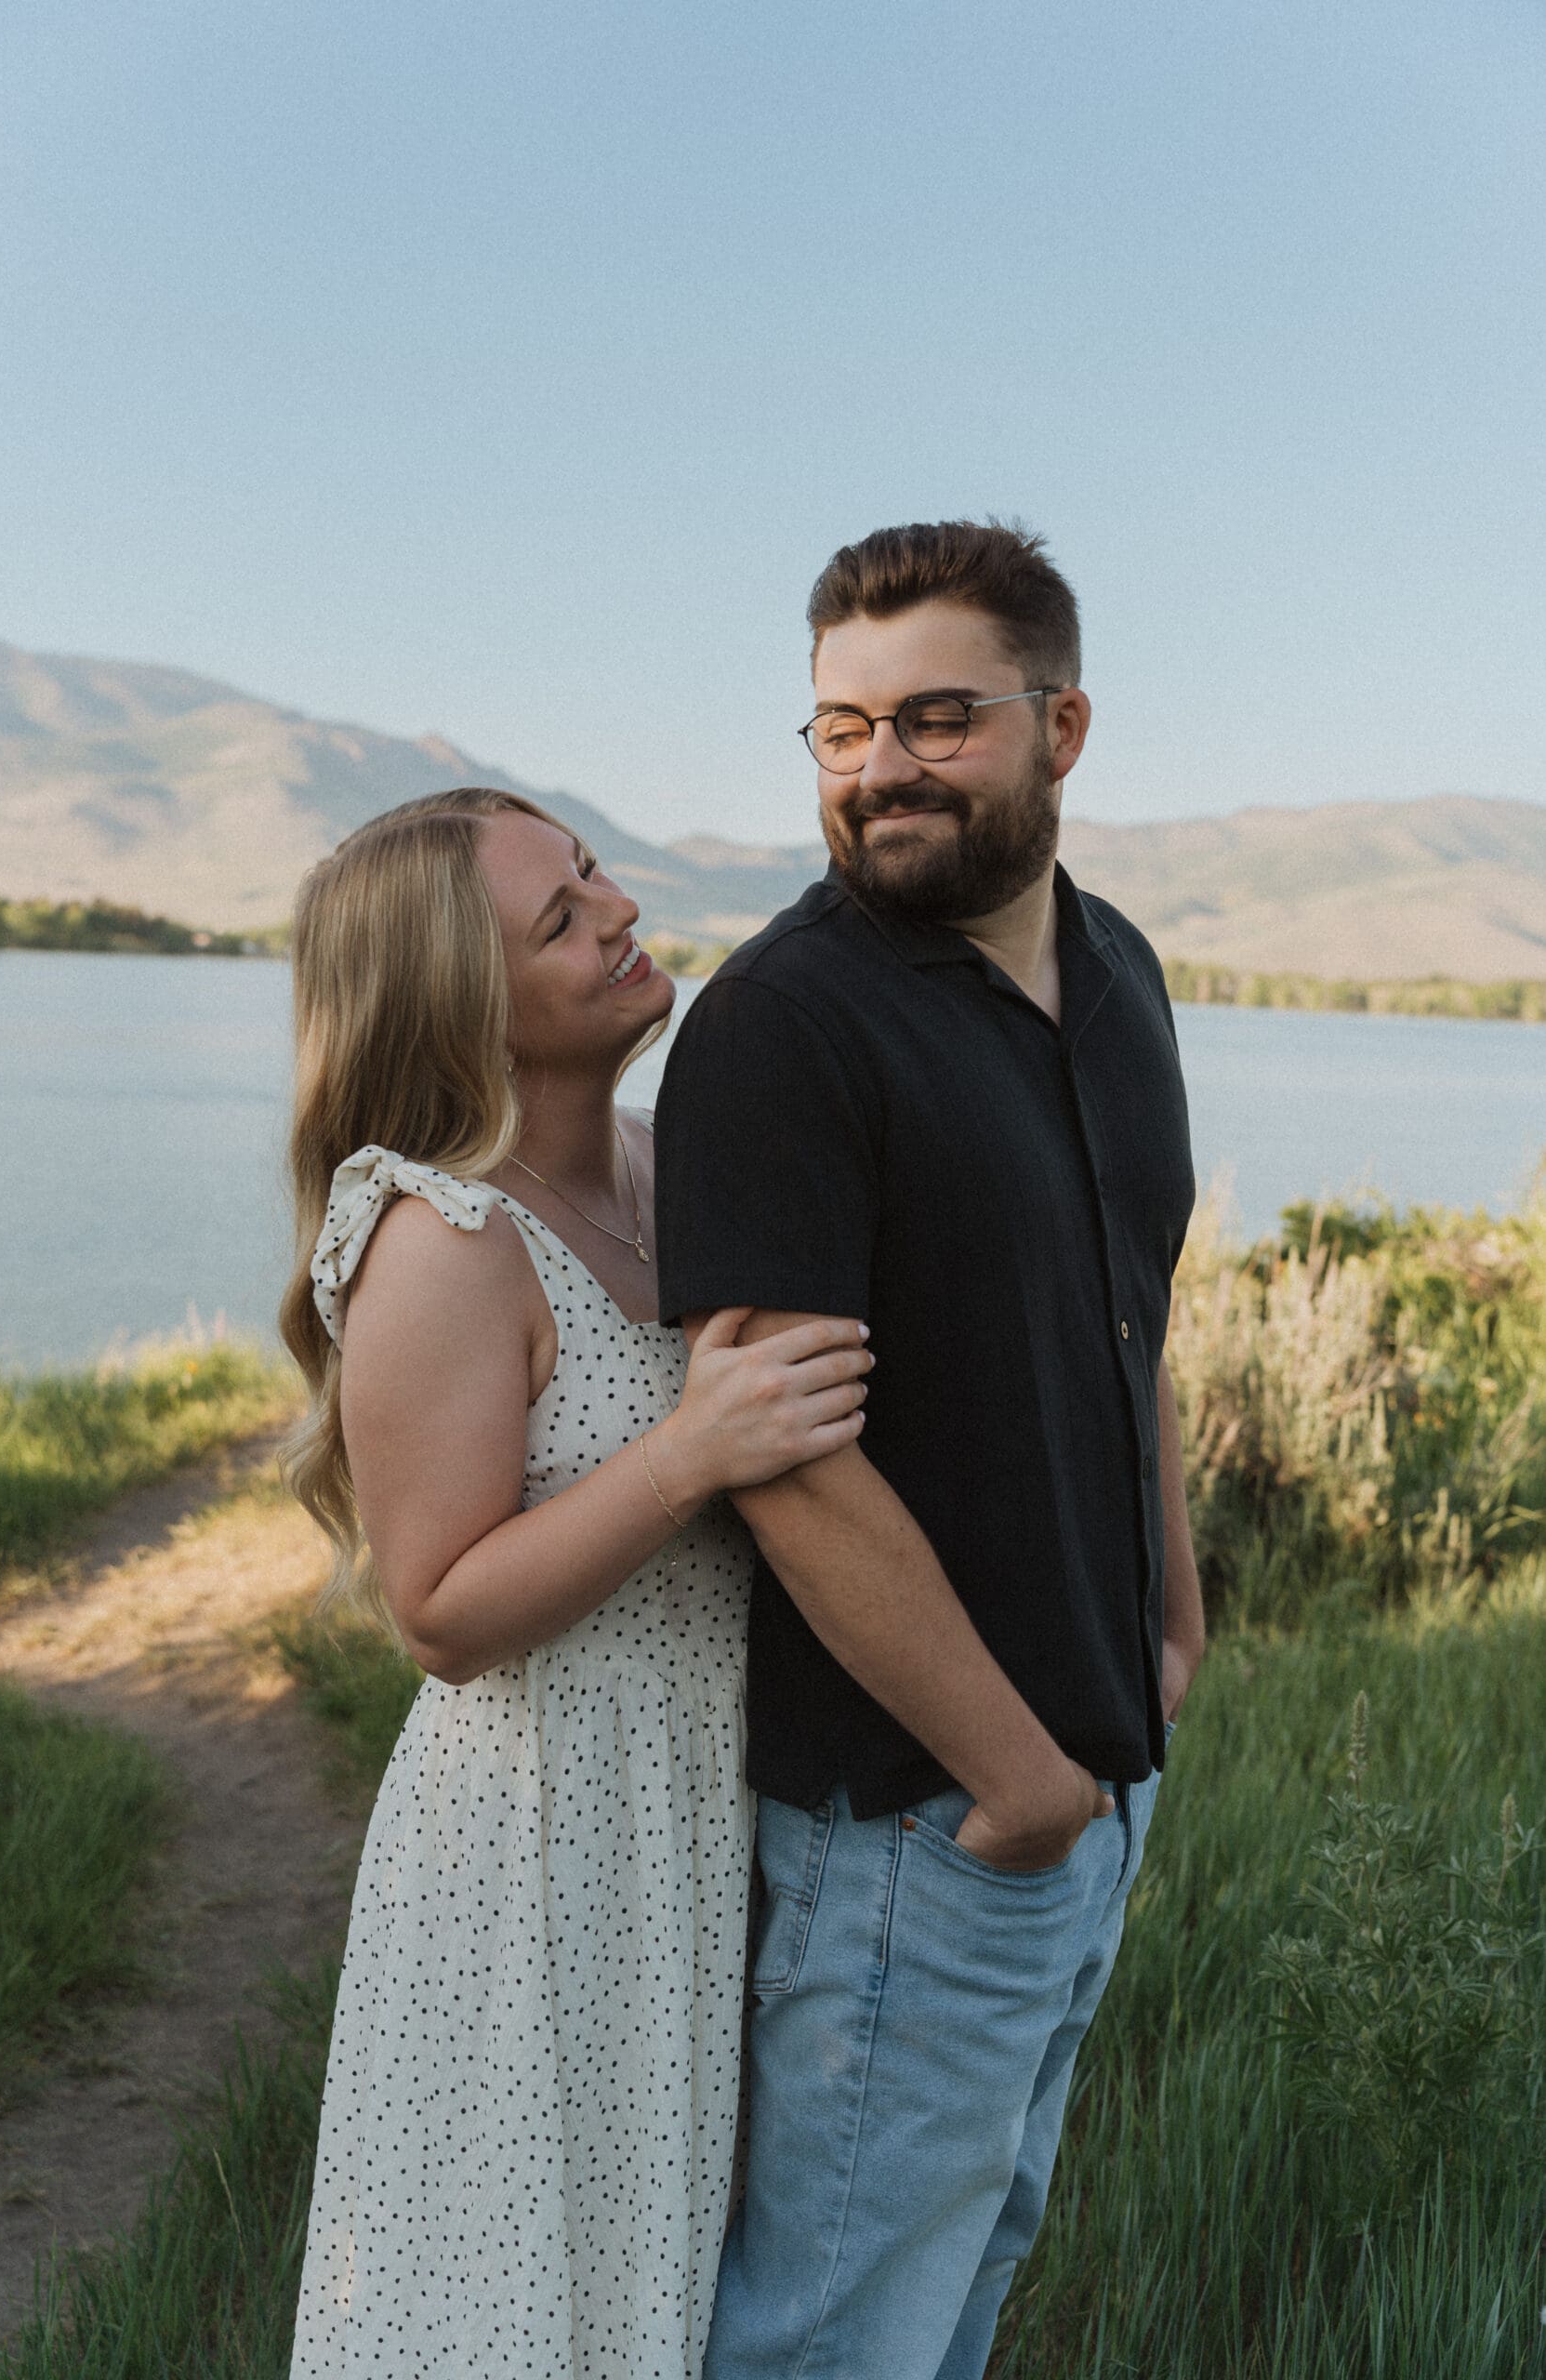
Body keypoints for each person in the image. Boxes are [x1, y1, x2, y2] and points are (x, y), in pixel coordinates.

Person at [654, 518, 1206, 2380]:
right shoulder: (780, 1024)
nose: (878, 766)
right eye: (837, 726)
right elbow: (780, 1456)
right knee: (836, 2335)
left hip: (1086, 1775)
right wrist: (1017, 1785)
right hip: (915, 1821)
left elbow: (1132, 1315)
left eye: (935, 717)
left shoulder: (1116, 971)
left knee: (959, 2295)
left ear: (1061, 726)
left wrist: (1169, 1624)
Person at [278, 787, 872, 2380]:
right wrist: (689, 1454)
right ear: (467, 1009)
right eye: (561, 916)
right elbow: (438, 1611)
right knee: (500, 2310)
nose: (616, 909)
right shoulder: (444, 1241)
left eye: (591, 871)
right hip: (532, 1848)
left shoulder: (676, 1164)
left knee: (641, 2301)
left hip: (694, 1817)